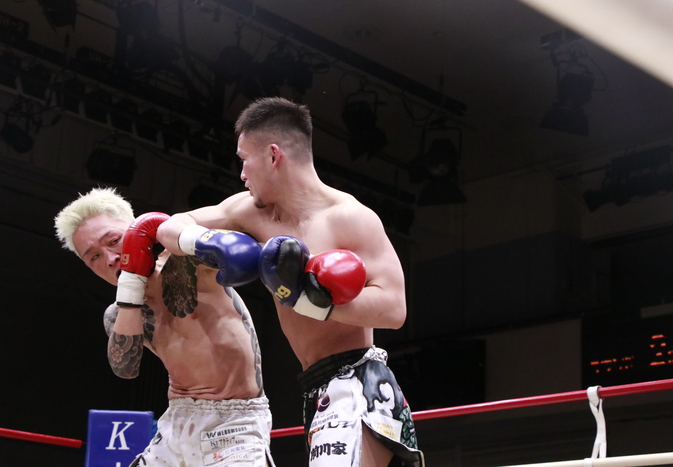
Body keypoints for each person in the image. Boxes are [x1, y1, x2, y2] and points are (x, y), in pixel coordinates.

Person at [157, 97, 424, 467]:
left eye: (244, 159)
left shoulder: (349, 218)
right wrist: (203, 241)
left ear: (273, 155)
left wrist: (308, 299)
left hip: (355, 380)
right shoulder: (250, 212)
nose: (242, 173)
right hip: (314, 388)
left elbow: (394, 309)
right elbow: (169, 225)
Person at [54, 187, 275, 467]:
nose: (110, 258)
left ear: (135, 228)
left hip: (233, 423)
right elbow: (125, 368)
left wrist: (179, 230)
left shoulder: (186, 259)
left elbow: (248, 209)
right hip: (175, 424)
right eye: (94, 257)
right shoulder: (117, 314)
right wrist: (131, 288)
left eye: (114, 241)